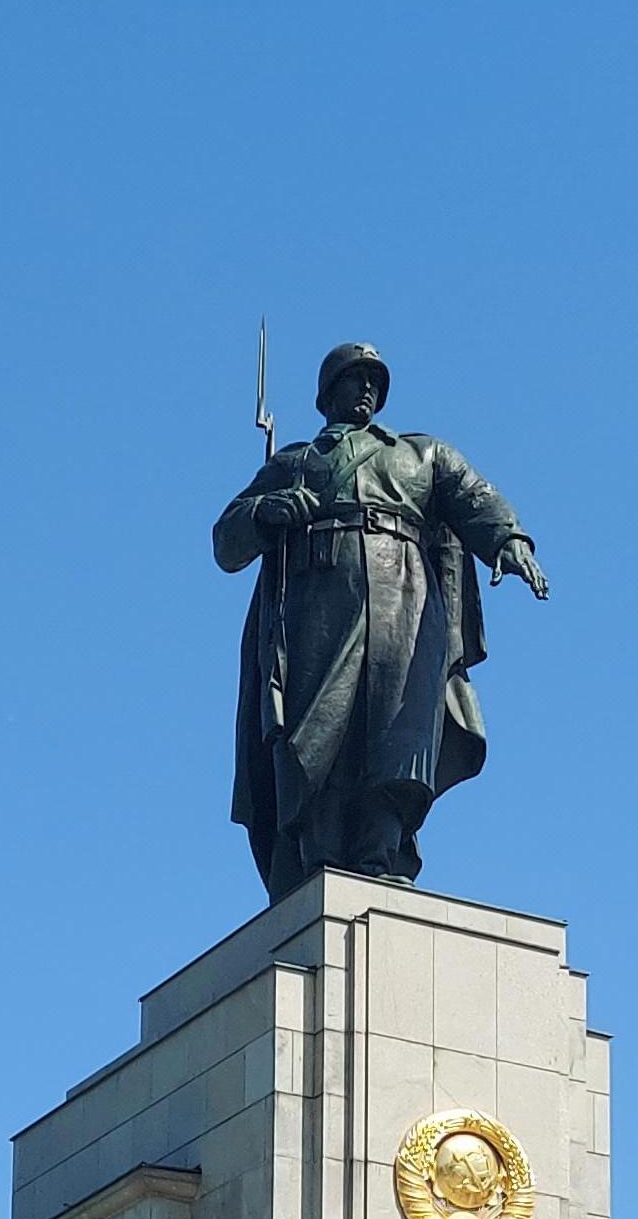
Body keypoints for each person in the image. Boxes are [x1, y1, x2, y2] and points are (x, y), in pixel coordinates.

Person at [213, 344, 544, 898]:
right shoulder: (293, 462)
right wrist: (265, 511)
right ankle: (318, 854)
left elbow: (473, 496)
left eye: (375, 380)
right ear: (327, 393)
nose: (367, 388)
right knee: (318, 730)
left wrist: (509, 540)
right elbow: (227, 541)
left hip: (404, 601)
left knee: (398, 728)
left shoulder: (420, 454)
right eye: (355, 377)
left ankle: (379, 853)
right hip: (320, 600)